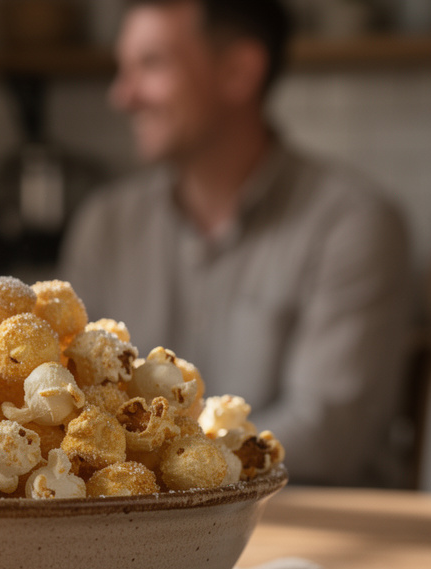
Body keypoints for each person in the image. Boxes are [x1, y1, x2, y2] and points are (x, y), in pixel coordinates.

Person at [62, 0, 411, 486]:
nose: (123, 96)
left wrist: (177, 469)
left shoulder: (352, 223)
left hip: (310, 525)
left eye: (151, 64)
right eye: (125, 68)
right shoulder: (106, 224)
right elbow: (70, 399)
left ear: (238, 72)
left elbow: (331, 433)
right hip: (139, 537)